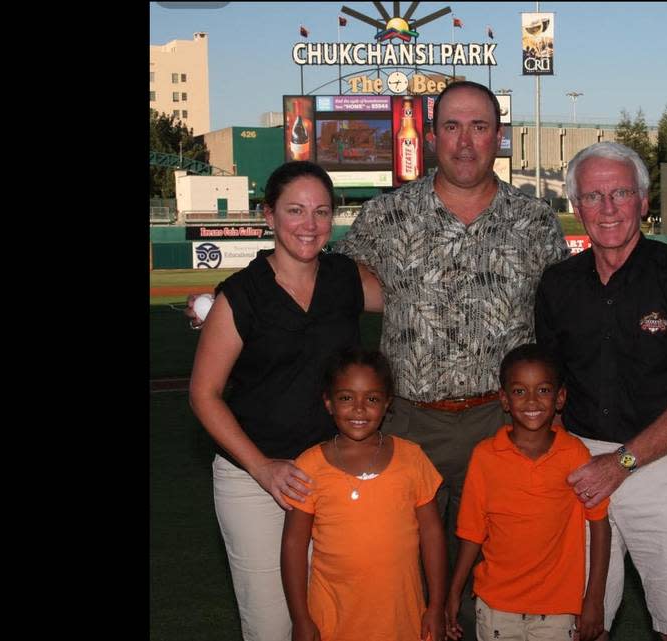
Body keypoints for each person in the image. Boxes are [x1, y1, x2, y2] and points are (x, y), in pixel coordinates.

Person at [334, 82, 569, 632]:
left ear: (499, 137)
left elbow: (566, 323)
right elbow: (323, 285)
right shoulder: (387, 215)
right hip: (412, 422)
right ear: (433, 135)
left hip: (504, 423)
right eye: (453, 127)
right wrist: (231, 299)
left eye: (480, 127)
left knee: (499, 570)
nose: (466, 142)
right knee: (407, 570)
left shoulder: (534, 220)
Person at [534, 142, 667, 641]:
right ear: (576, 207)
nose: (607, 208)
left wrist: (621, 462)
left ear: (644, 201)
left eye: (621, 193)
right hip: (580, 463)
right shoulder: (557, 284)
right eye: (594, 196)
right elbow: (548, 390)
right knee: (577, 621)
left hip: (664, 460)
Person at [188, 161, 383, 641]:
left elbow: (417, 300)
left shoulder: (345, 278)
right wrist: (262, 468)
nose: (309, 224)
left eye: (321, 211)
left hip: (333, 471)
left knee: (336, 614)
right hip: (255, 478)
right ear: (268, 215)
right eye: (295, 210)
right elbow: (203, 394)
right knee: (272, 623)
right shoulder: (241, 295)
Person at [444, 344, 611, 641]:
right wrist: (454, 592)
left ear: (560, 398)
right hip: (496, 605)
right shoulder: (485, 455)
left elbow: (599, 524)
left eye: (543, 390)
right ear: (504, 399)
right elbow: (471, 532)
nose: (531, 400)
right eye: (520, 391)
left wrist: (594, 598)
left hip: (558, 609)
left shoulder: (574, 454)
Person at [281, 347, 447, 641]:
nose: (359, 409)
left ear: (387, 404)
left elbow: (433, 535)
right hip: (333, 619)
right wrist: (300, 618)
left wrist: (436, 606)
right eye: (346, 398)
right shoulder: (309, 465)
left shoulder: (412, 458)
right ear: (329, 403)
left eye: (371, 399)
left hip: (401, 618)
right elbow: (294, 546)